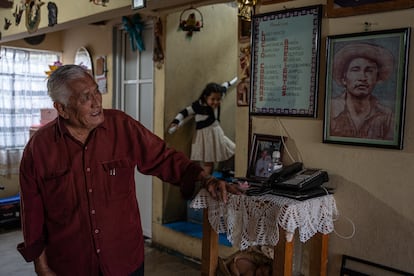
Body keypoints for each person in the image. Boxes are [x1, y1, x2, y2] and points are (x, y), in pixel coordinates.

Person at [17, 65, 241, 276]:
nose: (97, 102)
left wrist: (206, 179)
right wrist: (42, 265)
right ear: (61, 108)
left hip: (124, 260)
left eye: (96, 92)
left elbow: (163, 157)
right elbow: (32, 211)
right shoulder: (39, 149)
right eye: (86, 97)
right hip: (71, 264)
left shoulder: (121, 126)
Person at [168, 78, 237, 175]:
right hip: (205, 136)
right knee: (208, 163)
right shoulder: (198, 106)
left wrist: (235, 80)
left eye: (218, 99)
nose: (216, 102)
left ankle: (222, 174)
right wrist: (176, 121)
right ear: (205, 97)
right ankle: (205, 184)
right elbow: (185, 112)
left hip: (217, 133)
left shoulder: (218, 96)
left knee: (233, 149)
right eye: (212, 99)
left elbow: (225, 86)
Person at [330, 42, 395, 140]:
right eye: (355, 70)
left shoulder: (386, 116)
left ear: (376, 78)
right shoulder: (330, 110)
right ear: (344, 78)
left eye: (369, 71)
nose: (362, 77)